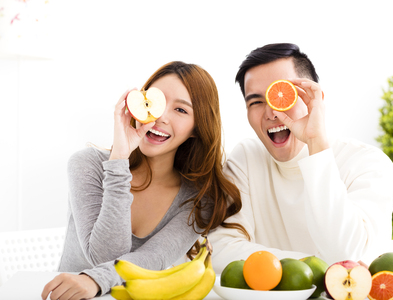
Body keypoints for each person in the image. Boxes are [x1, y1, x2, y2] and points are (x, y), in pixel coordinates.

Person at [41, 61, 247, 299]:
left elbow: (151, 259)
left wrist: (95, 280)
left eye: (181, 110)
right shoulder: (87, 165)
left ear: (196, 128)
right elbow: (104, 257)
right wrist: (119, 158)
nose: (159, 117)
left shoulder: (199, 199)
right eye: (153, 102)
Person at [208, 43, 393, 273]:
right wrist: (316, 267)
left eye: (282, 96)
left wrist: (316, 142)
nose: (272, 113)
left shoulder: (368, 164)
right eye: (256, 102)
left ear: (314, 100)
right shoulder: (247, 158)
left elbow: (346, 254)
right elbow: (219, 249)